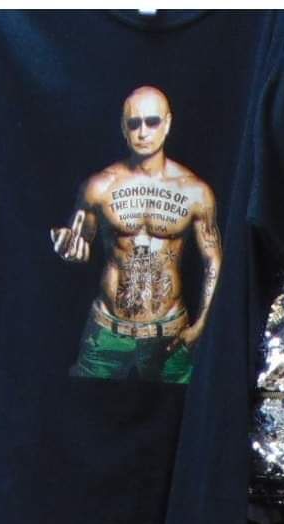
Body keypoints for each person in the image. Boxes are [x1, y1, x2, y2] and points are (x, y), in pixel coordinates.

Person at [51, 85, 222, 383]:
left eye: (152, 122)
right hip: (108, 332)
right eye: (134, 123)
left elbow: (213, 260)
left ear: (167, 124)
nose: (143, 132)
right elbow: (80, 243)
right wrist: (69, 250)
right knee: (85, 406)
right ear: (123, 127)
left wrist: (201, 326)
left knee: (178, 410)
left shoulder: (195, 191)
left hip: (169, 333)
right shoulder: (99, 187)